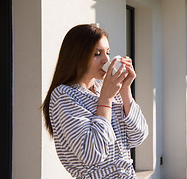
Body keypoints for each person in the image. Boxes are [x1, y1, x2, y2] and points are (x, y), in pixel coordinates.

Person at [42, 24, 148, 178]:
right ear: (77, 56)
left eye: (108, 52)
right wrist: (105, 100)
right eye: (97, 54)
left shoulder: (107, 88)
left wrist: (125, 90)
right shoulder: (64, 95)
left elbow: (138, 136)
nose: (106, 59)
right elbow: (92, 155)